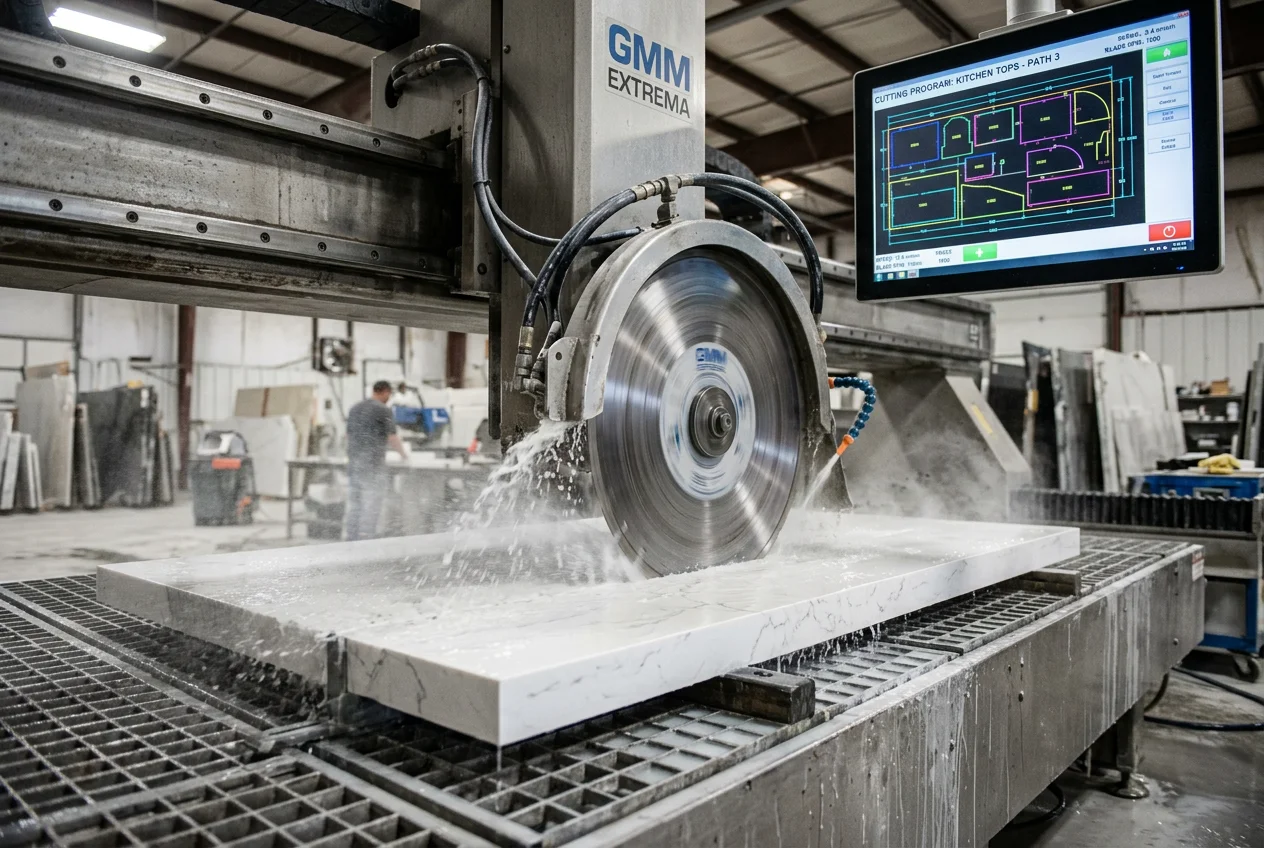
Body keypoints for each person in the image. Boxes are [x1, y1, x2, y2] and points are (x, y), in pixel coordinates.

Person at [344, 380, 408, 541]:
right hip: (372, 464)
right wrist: (404, 456)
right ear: (385, 392)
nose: (389, 397)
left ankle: (351, 537)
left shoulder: (355, 408)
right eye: (389, 394)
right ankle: (366, 538)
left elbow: (348, 436)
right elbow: (392, 437)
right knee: (371, 503)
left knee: (355, 502)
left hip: (354, 462)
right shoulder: (383, 410)